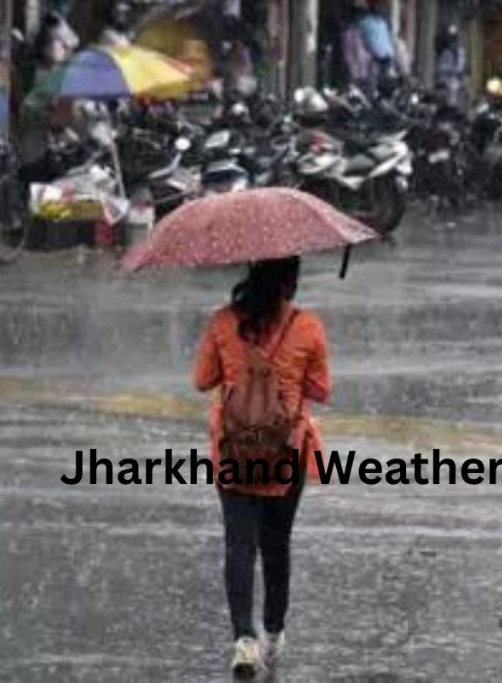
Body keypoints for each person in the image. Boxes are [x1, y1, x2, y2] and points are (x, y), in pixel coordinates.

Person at [192, 256, 331, 677]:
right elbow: (321, 389)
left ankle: (244, 640)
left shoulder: (222, 323)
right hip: (286, 451)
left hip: (234, 450)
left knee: (239, 544)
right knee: (276, 543)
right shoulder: (307, 327)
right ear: (291, 281)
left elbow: (202, 380)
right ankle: (273, 631)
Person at [436, 24, 466, 108]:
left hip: (453, 79)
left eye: (452, 38)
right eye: (449, 38)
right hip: (443, 80)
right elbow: (440, 65)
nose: (451, 40)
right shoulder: (444, 51)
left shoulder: (459, 51)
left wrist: (453, 71)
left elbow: (459, 66)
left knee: (452, 99)